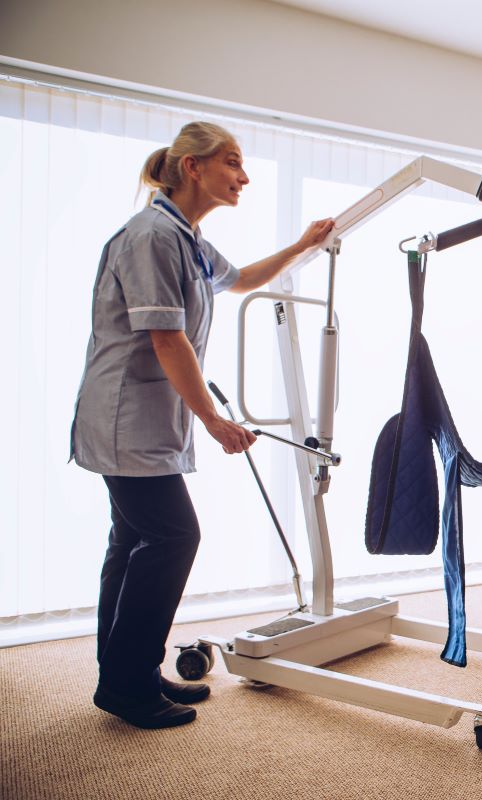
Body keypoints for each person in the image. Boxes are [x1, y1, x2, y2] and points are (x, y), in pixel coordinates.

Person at [70, 121, 334, 730]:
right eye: (232, 163)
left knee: (132, 542)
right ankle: (127, 684)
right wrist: (213, 419)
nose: (244, 177)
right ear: (193, 167)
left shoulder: (186, 238)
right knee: (172, 537)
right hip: (124, 419)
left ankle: (127, 674)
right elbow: (167, 338)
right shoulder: (151, 236)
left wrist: (301, 245)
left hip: (142, 421)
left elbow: (242, 280)